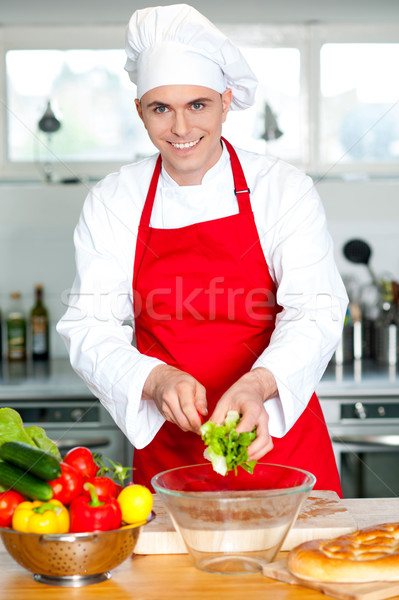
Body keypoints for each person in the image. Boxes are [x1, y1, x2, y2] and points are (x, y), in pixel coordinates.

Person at [57, 3, 348, 495]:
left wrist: (259, 385)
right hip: (171, 455)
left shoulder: (282, 188)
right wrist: (155, 380)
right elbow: (89, 324)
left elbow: (316, 311)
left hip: (278, 442)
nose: (181, 128)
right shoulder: (114, 200)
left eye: (198, 105)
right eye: (160, 108)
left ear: (225, 101)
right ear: (139, 111)